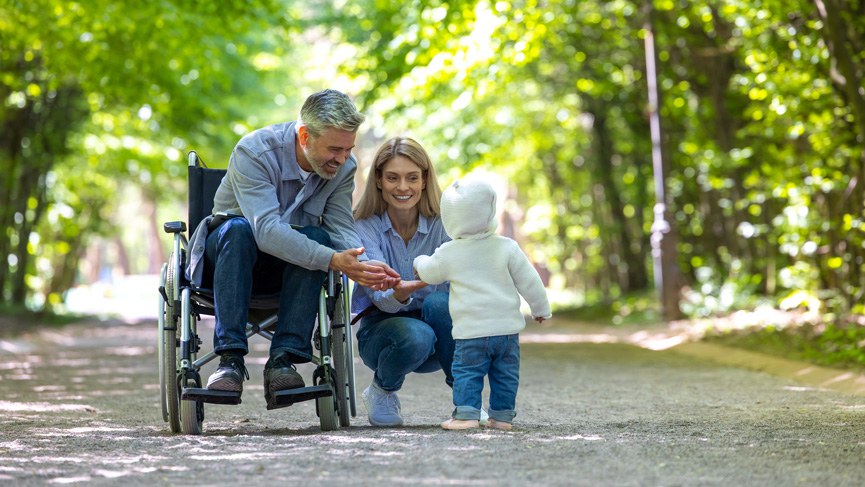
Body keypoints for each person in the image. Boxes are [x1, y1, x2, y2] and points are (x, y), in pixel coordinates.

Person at [185, 89, 399, 408]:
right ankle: (229, 360)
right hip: (229, 261)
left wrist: (365, 265)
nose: (342, 158)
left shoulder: (343, 168)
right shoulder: (254, 152)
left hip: (288, 272)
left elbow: (340, 226)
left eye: (348, 149)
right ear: (304, 135)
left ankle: (283, 361)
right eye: (334, 149)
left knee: (316, 235)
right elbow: (267, 231)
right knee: (240, 228)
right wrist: (331, 259)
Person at [414, 178, 551, 431]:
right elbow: (529, 281)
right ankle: (502, 418)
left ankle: (467, 415)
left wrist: (420, 260)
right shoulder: (507, 247)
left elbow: (429, 273)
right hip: (506, 333)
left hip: (471, 333)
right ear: (490, 212)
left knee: (467, 373)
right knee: (505, 376)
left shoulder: (449, 251)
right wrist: (540, 309)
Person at [351, 137, 454, 426]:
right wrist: (401, 294)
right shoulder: (363, 225)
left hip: (440, 334)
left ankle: (466, 399)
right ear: (380, 181)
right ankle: (382, 390)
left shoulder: (445, 222)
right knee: (416, 333)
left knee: (440, 302)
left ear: (424, 180)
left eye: (412, 178)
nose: (403, 187)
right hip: (384, 333)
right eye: (393, 178)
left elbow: (455, 288)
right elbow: (379, 294)